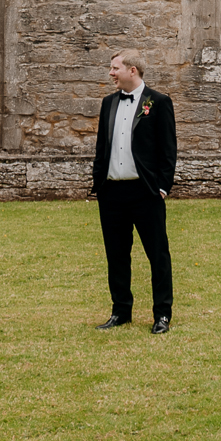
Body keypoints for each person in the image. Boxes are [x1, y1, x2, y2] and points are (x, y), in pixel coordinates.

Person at [91, 49, 177, 334]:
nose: (110, 73)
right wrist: (99, 184)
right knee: (116, 255)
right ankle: (121, 311)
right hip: (112, 193)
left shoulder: (159, 102)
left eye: (115, 68)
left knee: (158, 255)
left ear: (132, 70)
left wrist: (162, 188)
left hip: (146, 193)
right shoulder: (108, 103)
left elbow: (168, 150)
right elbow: (102, 147)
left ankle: (162, 314)